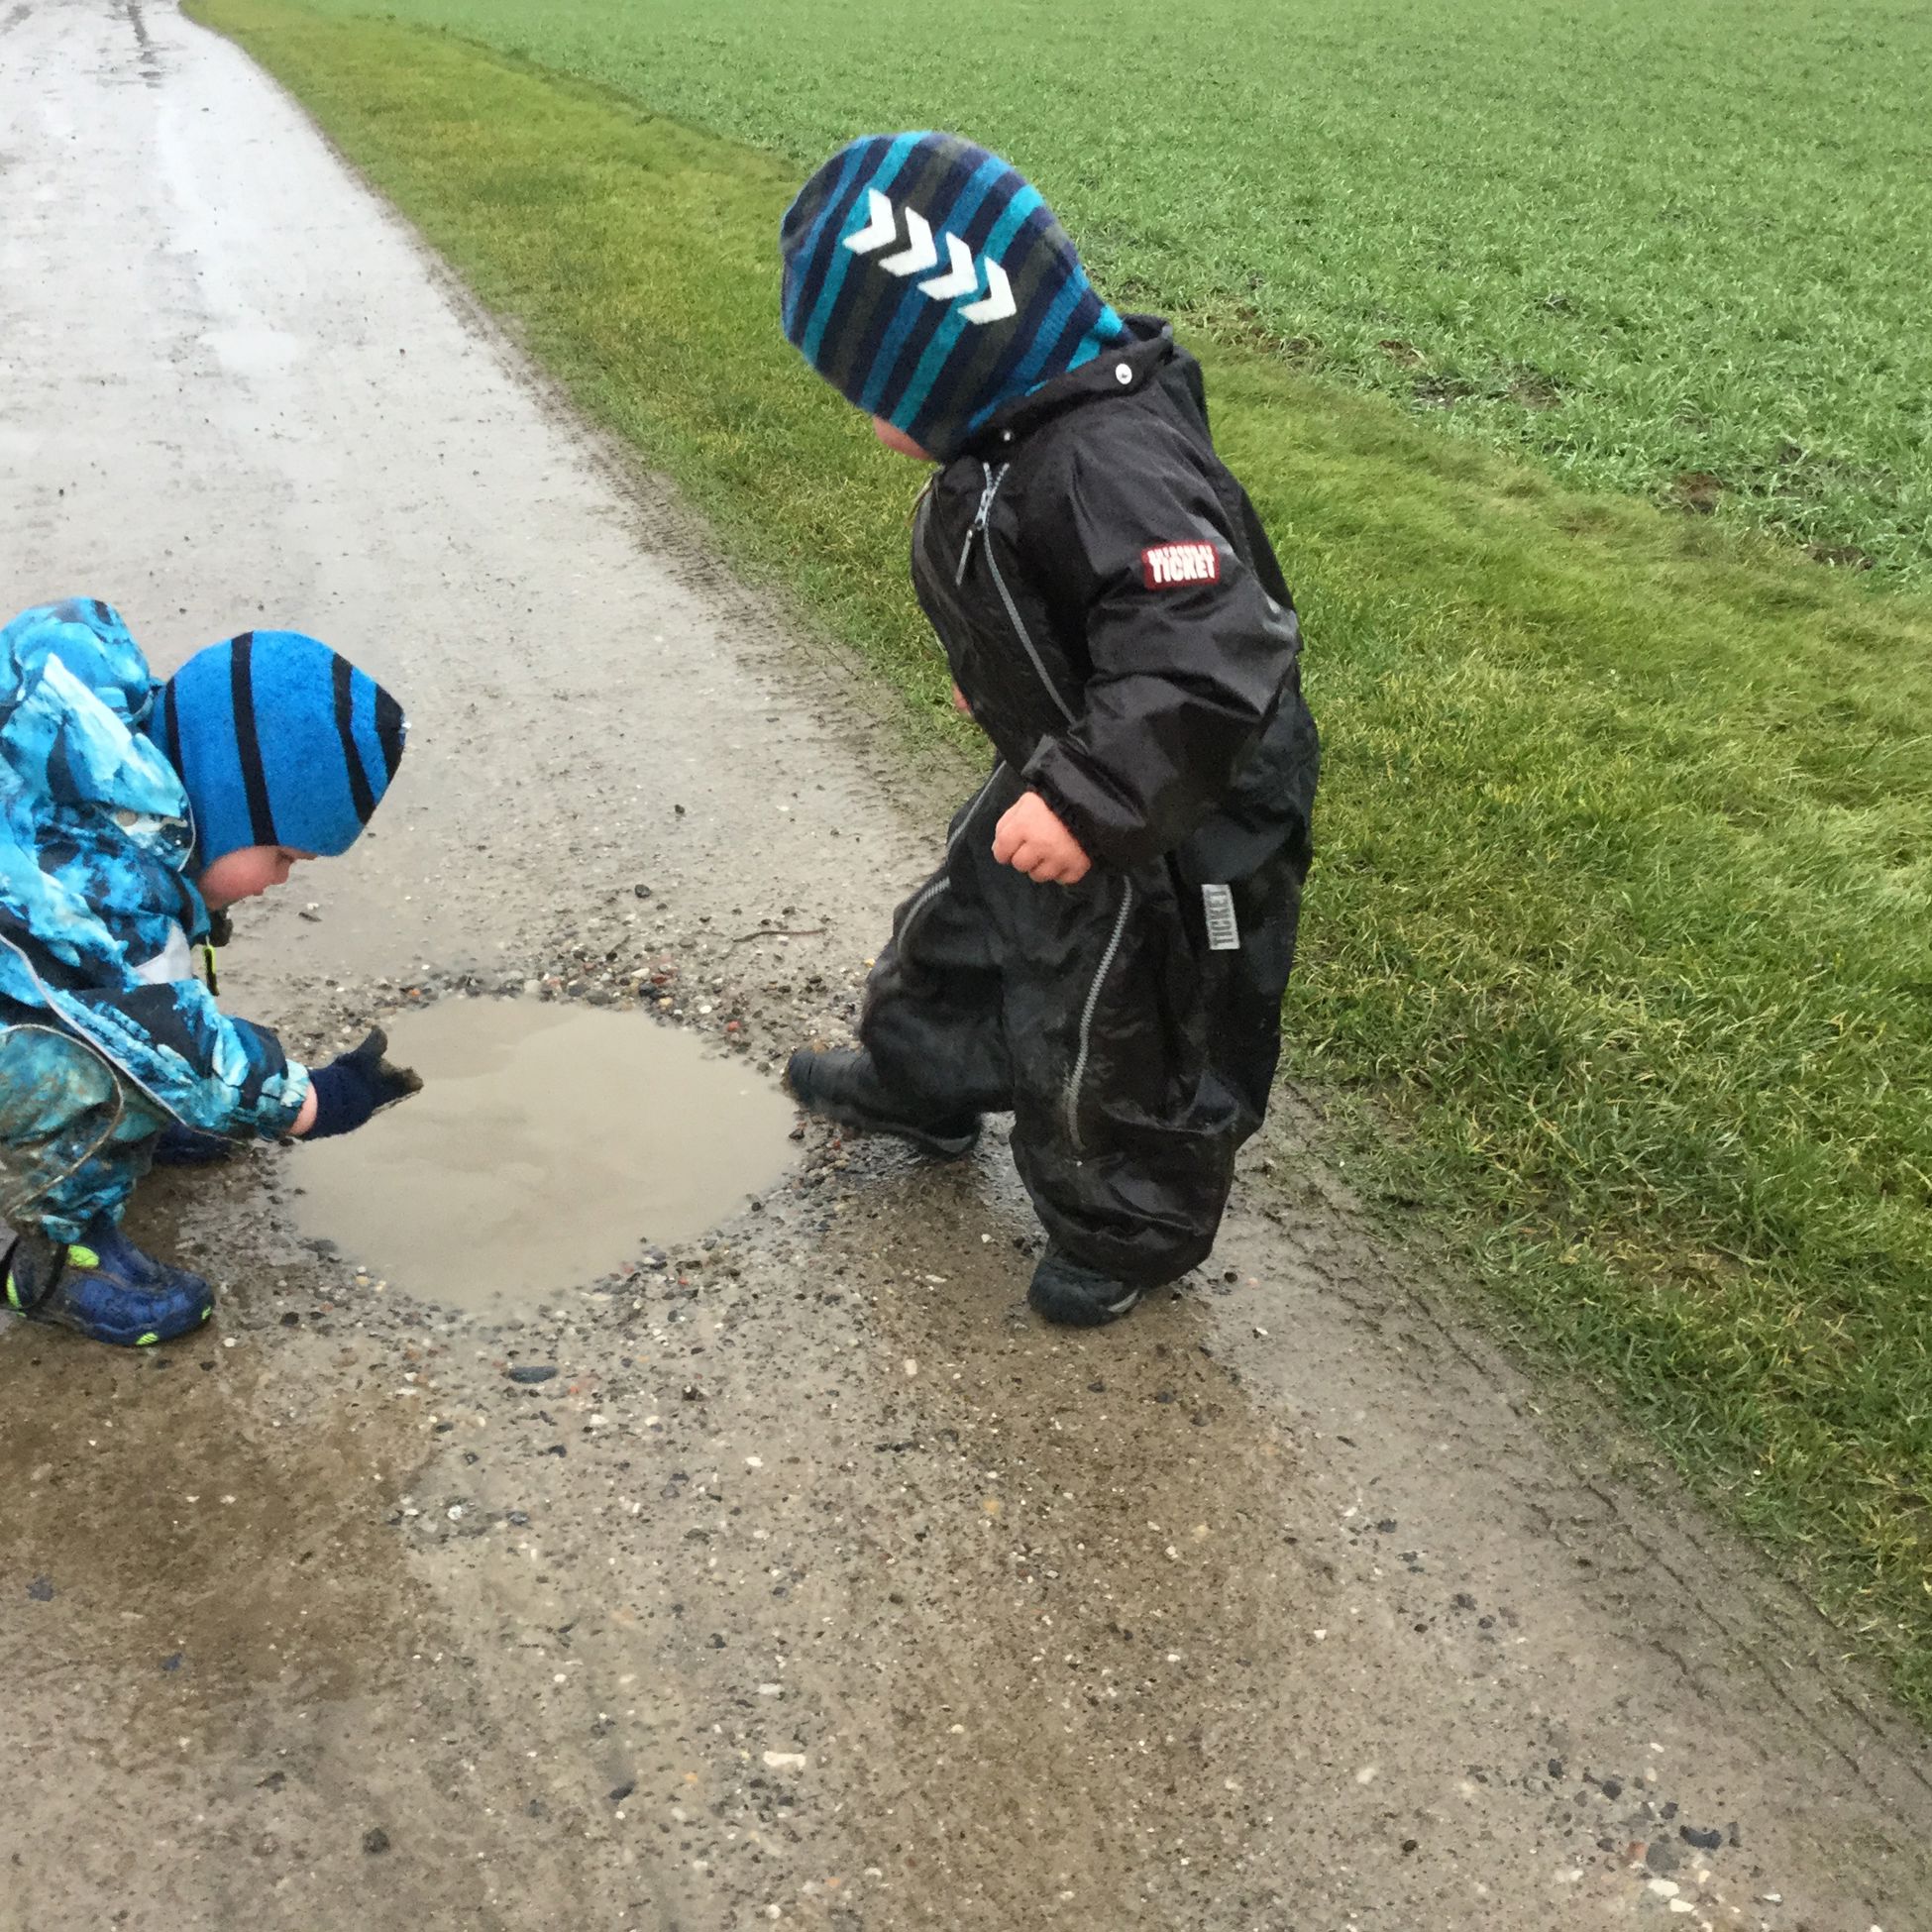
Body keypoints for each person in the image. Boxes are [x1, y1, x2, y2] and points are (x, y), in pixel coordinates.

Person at [778, 132, 1321, 1327]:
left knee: (1135, 1014)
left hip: (1183, 800)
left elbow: (1207, 644)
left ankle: (1124, 1224)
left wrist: (1090, 798)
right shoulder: (1024, 425)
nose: (873, 429)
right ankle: (922, 1078)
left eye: (878, 400)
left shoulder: (1107, 460)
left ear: (955, 360)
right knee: (971, 918)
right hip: (1081, 755)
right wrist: (1034, 730)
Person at [0, 597, 418, 1346]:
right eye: (283, 856)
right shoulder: (113, 899)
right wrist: (316, 1100)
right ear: (228, 807)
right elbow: (177, 1045)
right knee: (89, 1061)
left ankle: (140, 1132)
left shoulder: (81, 768)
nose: (282, 880)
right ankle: (61, 1260)